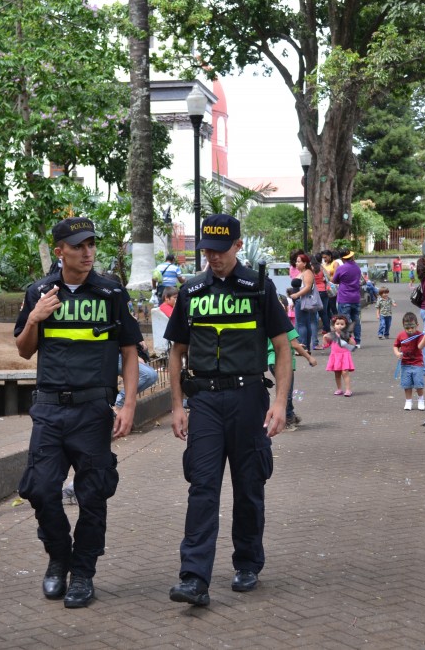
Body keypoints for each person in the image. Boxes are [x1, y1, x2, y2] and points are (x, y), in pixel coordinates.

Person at [165, 213, 292, 607]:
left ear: (237, 246)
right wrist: (177, 406)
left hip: (247, 397)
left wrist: (280, 403)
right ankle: (194, 577)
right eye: (207, 250)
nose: (213, 257)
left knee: (249, 485)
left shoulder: (258, 287)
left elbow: (283, 347)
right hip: (204, 400)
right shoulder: (193, 290)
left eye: (220, 250)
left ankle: (248, 563)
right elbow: (176, 352)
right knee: (202, 487)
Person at [14, 216, 141, 609]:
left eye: (91, 245)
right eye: (78, 246)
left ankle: (83, 572)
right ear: (60, 251)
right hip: (50, 409)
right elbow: (24, 348)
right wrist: (35, 318)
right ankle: (58, 558)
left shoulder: (110, 292)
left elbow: (129, 351)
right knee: (39, 488)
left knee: (94, 492)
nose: (87, 253)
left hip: (93, 410)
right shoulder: (39, 292)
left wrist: (129, 403)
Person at [267, 319, 317, 431]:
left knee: (284, 389)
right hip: (284, 362)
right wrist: (309, 357)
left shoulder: (268, 326)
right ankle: (287, 419)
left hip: (272, 361)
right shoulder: (284, 325)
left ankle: (291, 414)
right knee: (287, 391)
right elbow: (294, 344)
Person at [393, 312, 425, 411]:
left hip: (417, 363)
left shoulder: (419, 334)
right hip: (405, 364)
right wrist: (397, 353)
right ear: (403, 326)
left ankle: (421, 400)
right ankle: (408, 401)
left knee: (419, 384)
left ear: (417, 325)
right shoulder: (401, 335)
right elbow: (395, 346)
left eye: (412, 327)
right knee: (406, 385)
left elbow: (420, 346)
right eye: (407, 328)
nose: (410, 330)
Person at [287, 253, 318, 354]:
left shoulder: (307, 272)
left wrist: (296, 295)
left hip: (302, 300)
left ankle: (303, 346)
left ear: (305, 263)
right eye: (296, 261)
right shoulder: (302, 272)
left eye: (299, 261)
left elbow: (308, 287)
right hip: (298, 300)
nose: (296, 263)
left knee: (302, 324)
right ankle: (305, 346)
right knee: (303, 323)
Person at [332, 250, 363, 346]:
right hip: (356, 297)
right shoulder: (357, 268)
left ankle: (346, 340)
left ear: (342, 258)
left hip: (344, 297)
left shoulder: (341, 268)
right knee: (356, 319)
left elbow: (334, 280)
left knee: (344, 321)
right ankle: (357, 341)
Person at [323, 314, 356, 396]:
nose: (339, 326)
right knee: (337, 373)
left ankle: (348, 390)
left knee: (345, 373)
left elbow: (353, 344)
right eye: (337, 324)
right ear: (334, 326)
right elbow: (326, 345)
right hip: (335, 356)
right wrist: (324, 338)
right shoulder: (332, 335)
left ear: (345, 326)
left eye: (342, 324)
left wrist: (348, 338)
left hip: (344, 355)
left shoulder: (347, 334)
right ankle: (339, 389)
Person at [311, 255, 331, 346]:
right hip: (324, 291)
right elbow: (329, 276)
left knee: (314, 314)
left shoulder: (310, 269)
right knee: (324, 313)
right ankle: (328, 330)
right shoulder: (321, 267)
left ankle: (314, 337)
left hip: (315, 292)